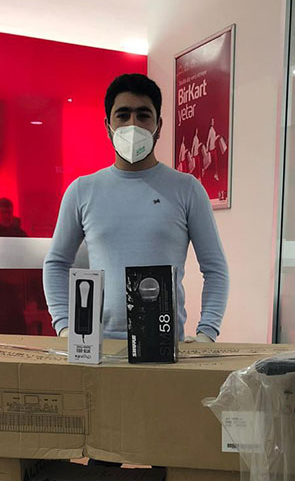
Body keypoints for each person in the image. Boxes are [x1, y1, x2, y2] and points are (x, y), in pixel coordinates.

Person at [43, 73, 229, 342]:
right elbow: (56, 264)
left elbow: (215, 268)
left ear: (158, 126)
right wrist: (64, 327)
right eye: (123, 115)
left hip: (164, 345)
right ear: (108, 126)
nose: (133, 125)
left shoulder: (187, 189)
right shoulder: (82, 190)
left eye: (143, 115)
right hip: (98, 347)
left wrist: (206, 333)